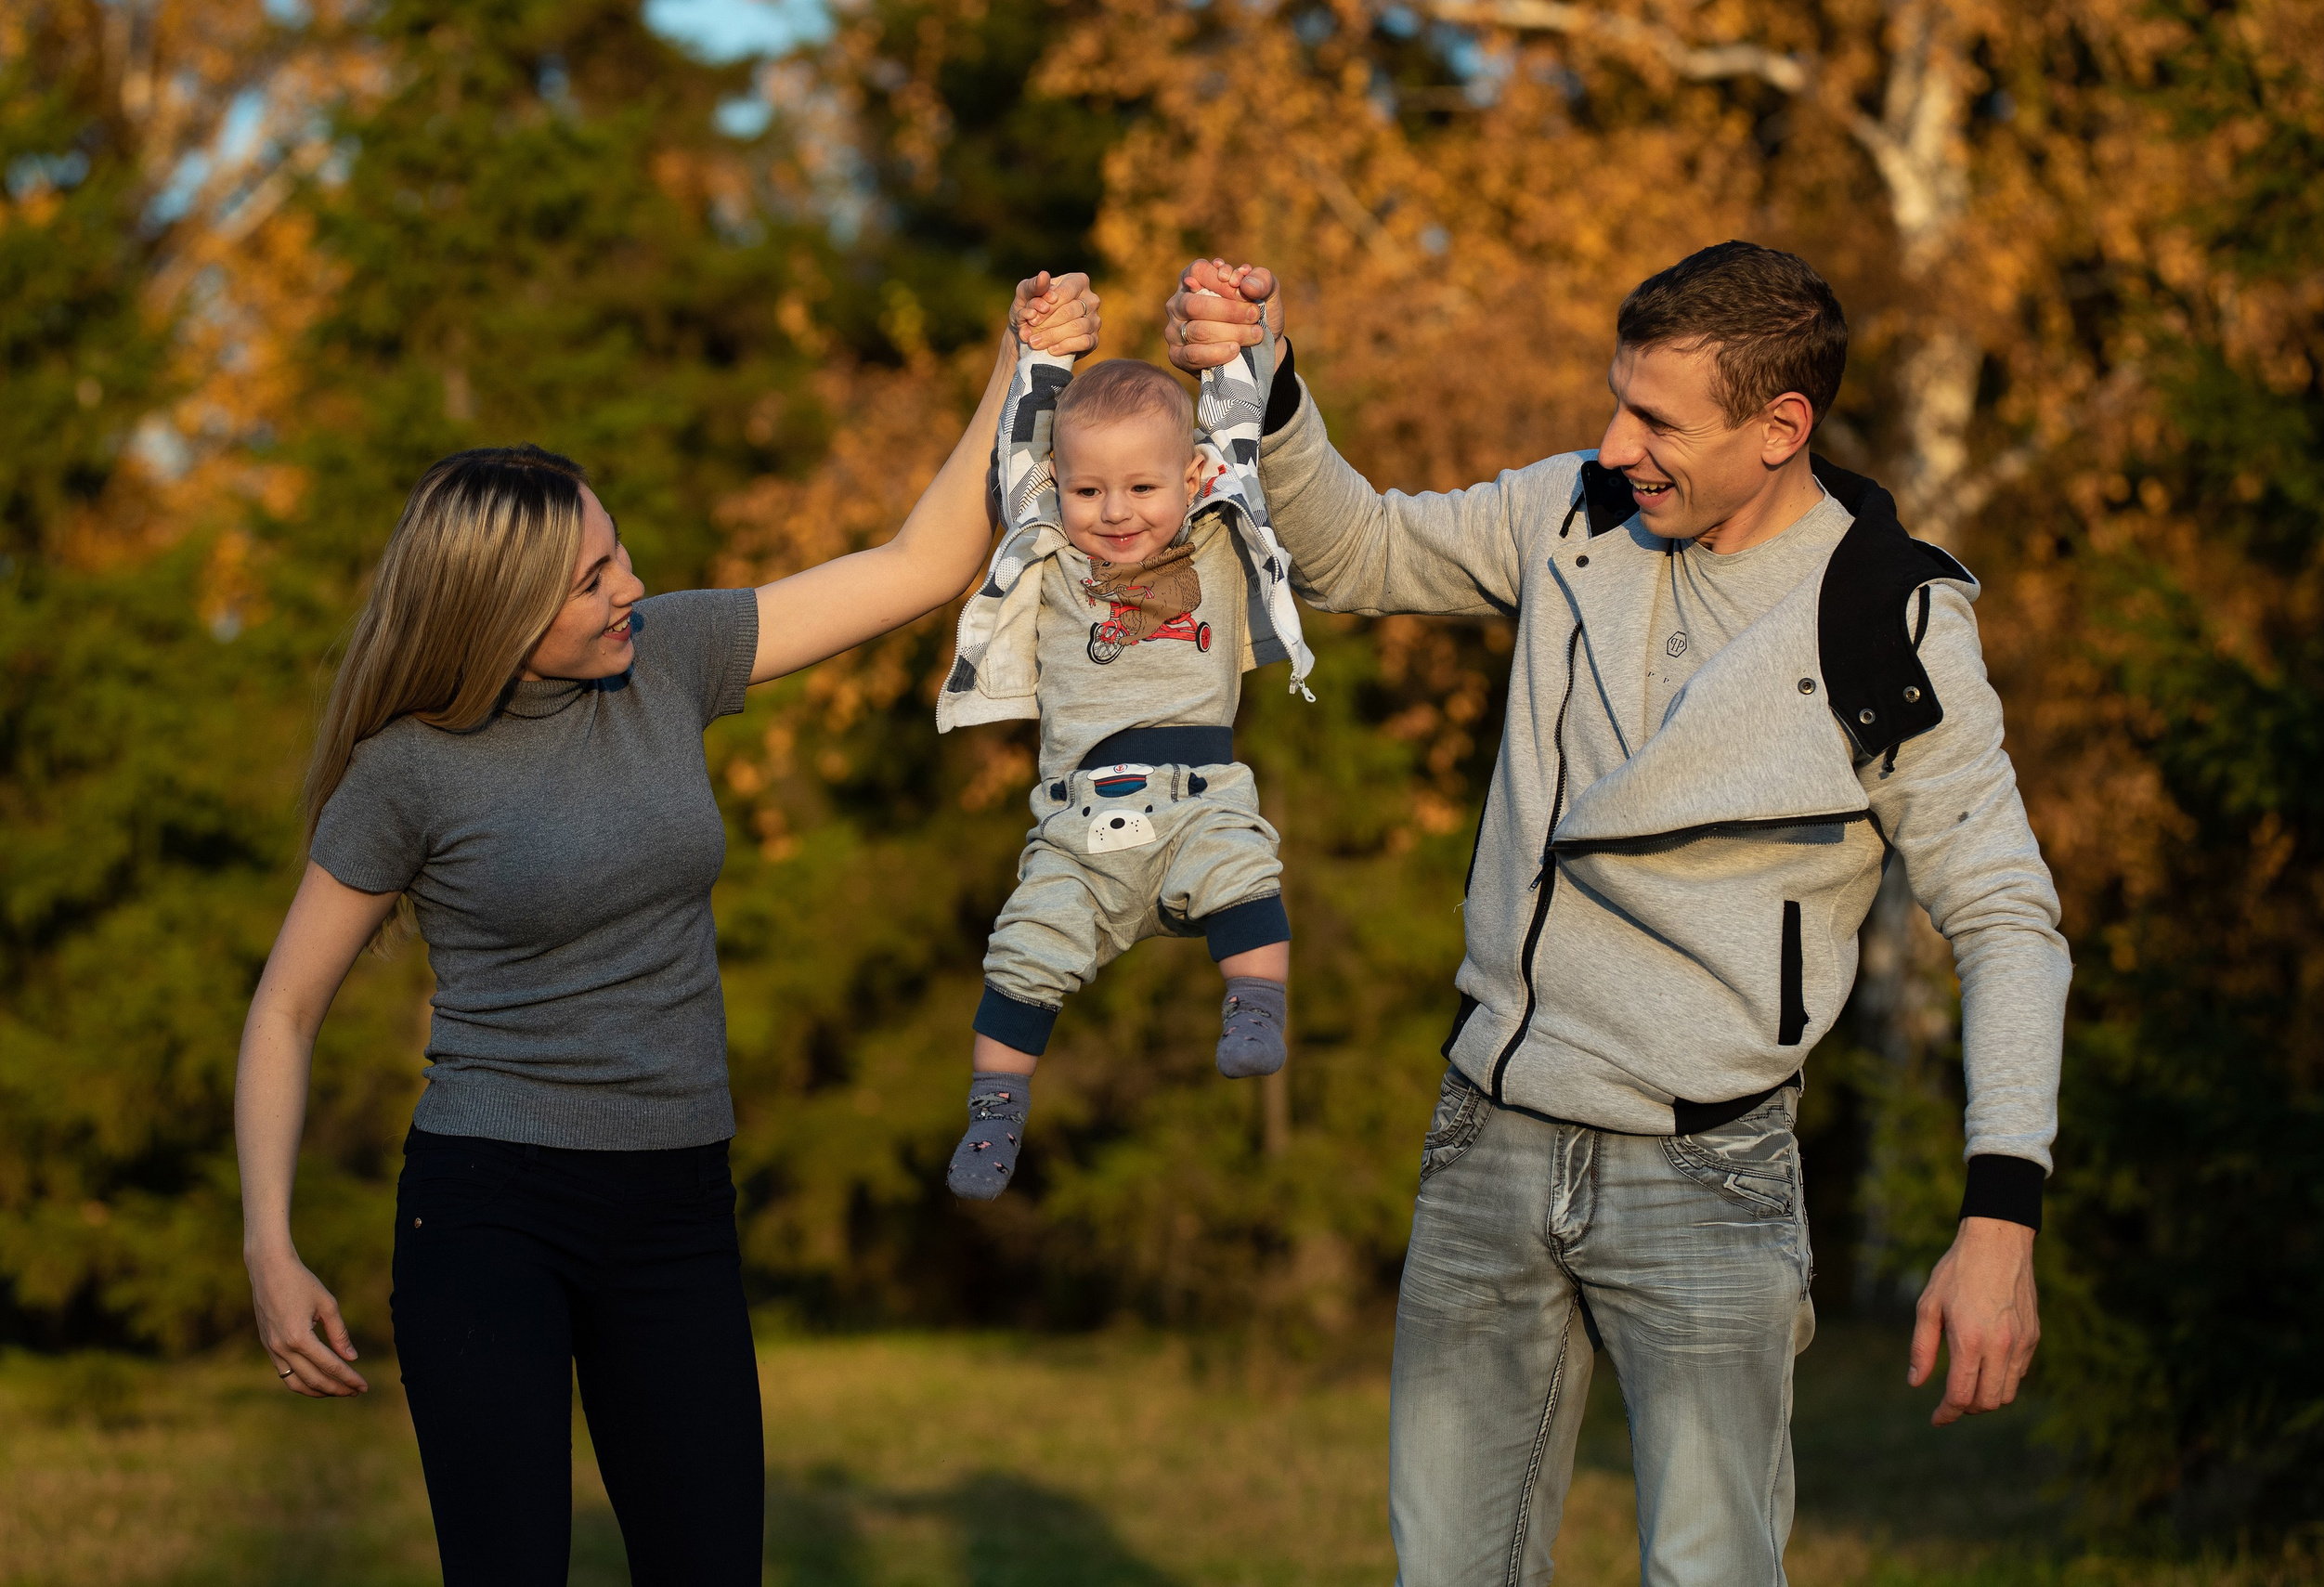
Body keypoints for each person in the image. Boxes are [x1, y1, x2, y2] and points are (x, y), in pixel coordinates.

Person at [1166, 243, 2068, 1585]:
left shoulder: (1886, 618)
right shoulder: (1574, 513)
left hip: (1709, 1170)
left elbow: (2003, 917)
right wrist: (1267, 380)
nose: (1613, 445)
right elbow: (1354, 549)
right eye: (1616, 400)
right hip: (1488, 1135)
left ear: (1781, 428)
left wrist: (2000, 1215)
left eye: (1657, 421)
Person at [233, 272, 1100, 1585]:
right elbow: (286, 1008)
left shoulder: (669, 657)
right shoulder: (408, 771)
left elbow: (919, 565)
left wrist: (1014, 362)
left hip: (677, 1199)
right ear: (502, 615)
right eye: (594, 578)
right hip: (490, 1210)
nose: (631, 586)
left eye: (619, 552)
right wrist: (270, 1243)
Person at [936, 309, 1315, 1200]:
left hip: (1199, 797)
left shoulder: (1214, 530)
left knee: (1244, 870)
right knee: (1024, 947)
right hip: (1076, 826)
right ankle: (995, 1109)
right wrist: (1042, 347)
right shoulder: (1050, 549)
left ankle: (1256, 1009)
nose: (1115, 512)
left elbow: (1237, 424)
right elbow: (1019, 444)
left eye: (1143, 487)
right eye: (1088, 490)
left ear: (1191, 477)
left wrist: (1235, 326)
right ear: (1060, 486)